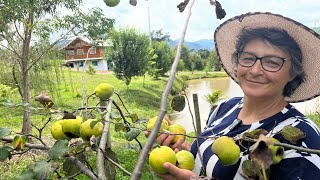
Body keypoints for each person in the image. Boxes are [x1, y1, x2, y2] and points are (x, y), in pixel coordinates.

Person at [146, 12, 320, 179]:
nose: (255, 70)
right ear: (237, 64)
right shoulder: (225, 108)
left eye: (272, 62)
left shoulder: (298, 136)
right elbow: (211, 164)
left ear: (293, 73)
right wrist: (182, 150)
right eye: (248, 58)